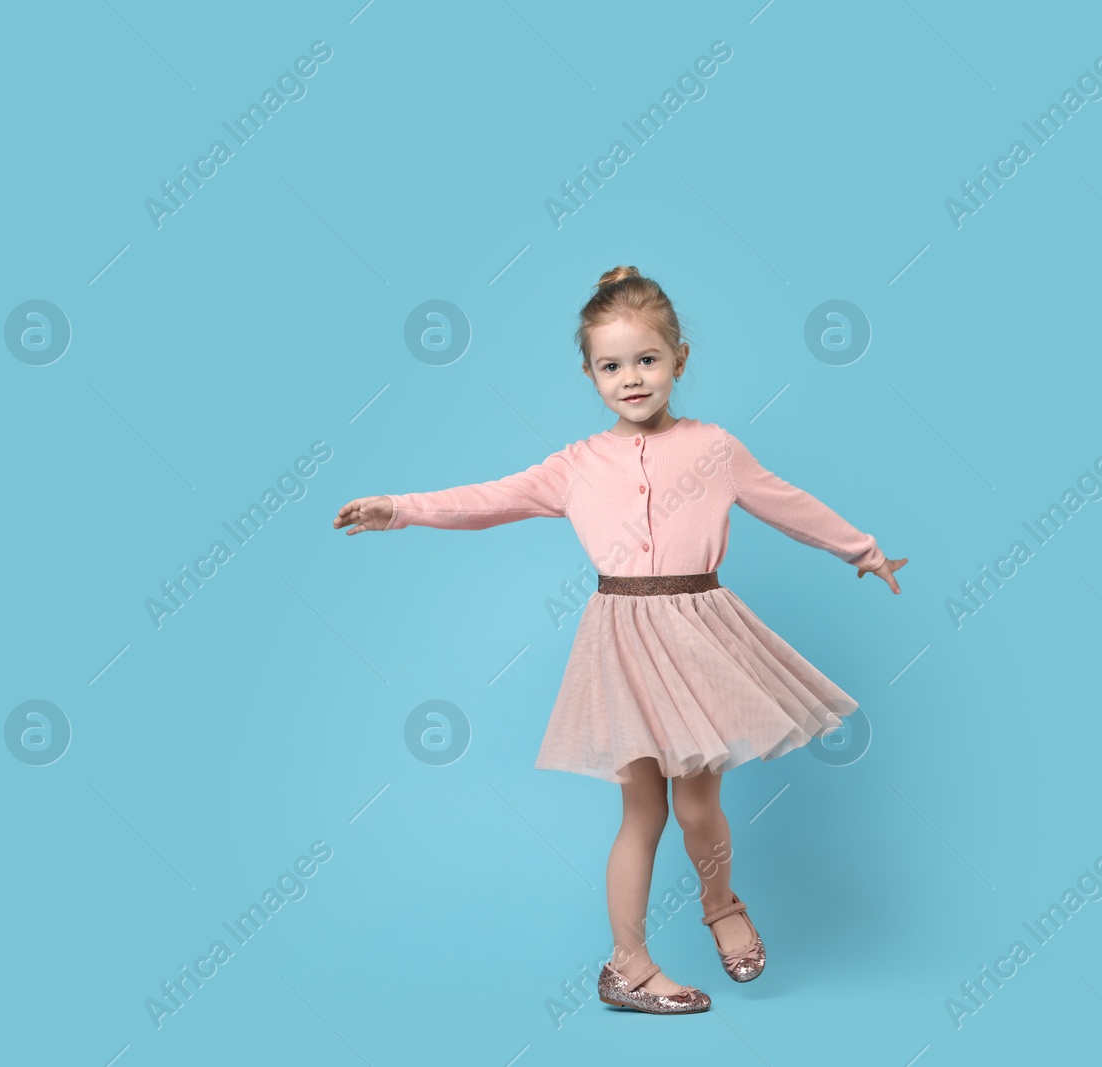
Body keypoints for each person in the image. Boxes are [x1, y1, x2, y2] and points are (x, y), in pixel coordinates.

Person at [333, 265, 907, 1015]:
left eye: (646, 360)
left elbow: (783, 501)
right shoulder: (575, 465)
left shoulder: (715, 448)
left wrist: (861, 548)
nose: (630, 379)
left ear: (679, 359)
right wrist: (401, 507)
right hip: (622, 640)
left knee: (699, 806)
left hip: (701, 630)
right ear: (589, 373)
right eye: (611, 366)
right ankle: (626, 965)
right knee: (644, 812)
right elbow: (489, 497)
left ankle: (722, 904)